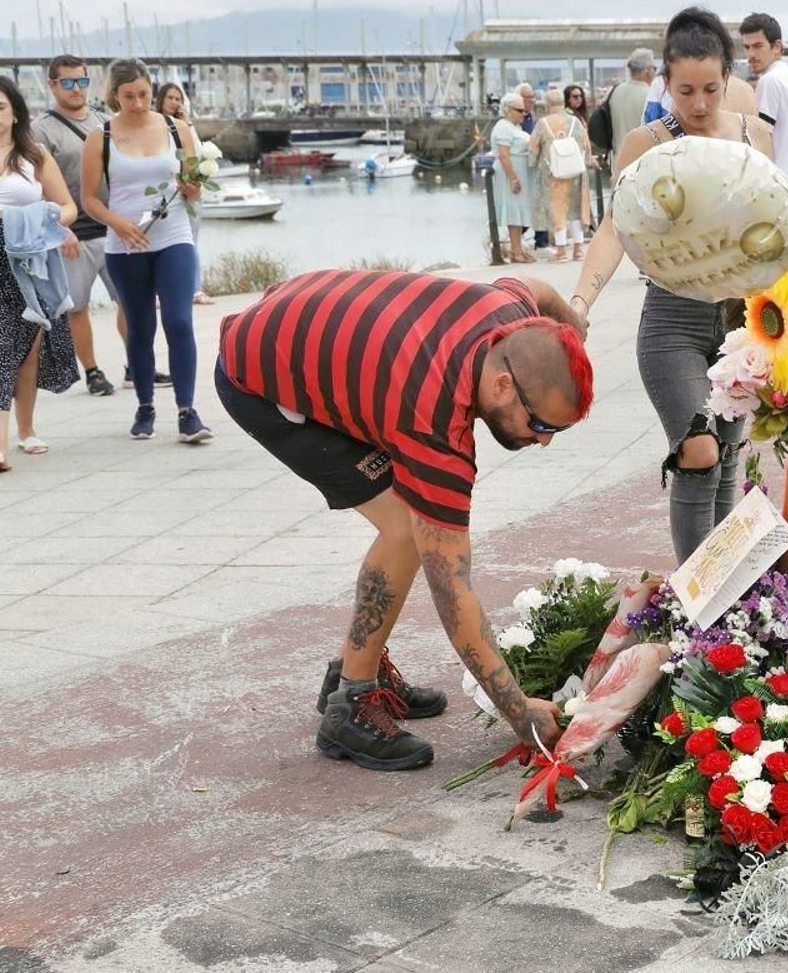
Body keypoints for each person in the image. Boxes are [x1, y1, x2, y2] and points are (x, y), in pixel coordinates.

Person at [214, 268, 592, 769]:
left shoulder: (513, 319)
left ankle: (352, 667)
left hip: (303, 318)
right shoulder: (435, 419)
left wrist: (571, 326)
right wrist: (517, 710)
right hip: (260, 376)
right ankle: (350, 706)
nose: (544, 440)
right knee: (406, 531)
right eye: (541, 424)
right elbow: (451, 586)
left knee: (410, 524)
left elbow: (536, 287)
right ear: (503, 385)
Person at [569, 7, 776, 561]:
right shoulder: (646, 142)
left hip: (740, 325)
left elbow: (777, 232)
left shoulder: (756, 137)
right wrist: (581, 300)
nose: (700, 103)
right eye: (685, 90)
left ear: (728, 76)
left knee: (729, 462)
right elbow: (616, 225)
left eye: (711, 88)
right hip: (672, 323)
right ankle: (698, 603)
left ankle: (725, 612)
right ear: (666, 82)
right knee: (698, 453)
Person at [79, 59, 211, 442]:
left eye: (142, 94)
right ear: (113, 96)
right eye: (128, 96)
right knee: (140, 326)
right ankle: (145, 405)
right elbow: (89, 199)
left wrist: (193, 187)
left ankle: (188, 412)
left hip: (174, 236)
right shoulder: (99, 137)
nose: (137, 103)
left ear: (150, 89)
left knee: (180, 321)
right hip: (125, 245)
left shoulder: (177, 129)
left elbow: (194, 184)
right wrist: (118, 223)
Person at [0, 76, 80, 468]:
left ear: (14, 110)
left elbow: (67, 207)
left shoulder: (35, 156)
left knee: (28, 348)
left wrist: (47, 222)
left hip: (27, 259)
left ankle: (26, 429)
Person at [34, 55, 123, 397]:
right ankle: (93, 371)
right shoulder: (41, 130)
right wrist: (59, 230)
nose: (75, 89)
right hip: (74, 234)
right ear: (52, 85)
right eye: (67, 82)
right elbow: (40, 187)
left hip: (113, 227)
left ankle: (137, 364)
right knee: (78, 307)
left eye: (81, 81)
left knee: (129, 300)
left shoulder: (105, 122)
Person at [741, 12, 788, 218]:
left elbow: (763, 138)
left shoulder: (769, 81)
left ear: (777, 47)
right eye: (746, 47)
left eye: (757, 46)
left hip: (776, 190)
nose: (750, 54)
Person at [155, 82, 213, 306]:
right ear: (161, 100)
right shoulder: (154, 125)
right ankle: (160, 291)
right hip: (165, 190)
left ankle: (194, 289)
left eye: (178, 98)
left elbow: (196, 154)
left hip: (189, 190)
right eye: (170, 97)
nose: (174, 102)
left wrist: (188, 125)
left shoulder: (187, 126)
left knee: (191, 241)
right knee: (161, 242)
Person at [531, 87, 595, 263]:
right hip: (575, 172)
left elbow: (533, 149)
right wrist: (587, 160)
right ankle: (579, 250)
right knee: (575, 211)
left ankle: (561, 251)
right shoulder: (576, 121)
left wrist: (532, 164)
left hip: (553, 176)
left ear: (547, 104)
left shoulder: (542, 123)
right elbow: (586, 146)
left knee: (557, 211)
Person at [490, 92, 535, 263]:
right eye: (520, 110)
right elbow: (503, 154)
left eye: (524, 110)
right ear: (508, 110)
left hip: (520, 171)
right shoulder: (503, 127)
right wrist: (513, 178)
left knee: (518, 210)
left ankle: (518, 249)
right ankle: (515, 251)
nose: (524, 113)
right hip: (511, 173)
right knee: (513, 211)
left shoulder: (515, 127)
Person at [607, 50, 654, 170]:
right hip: (642, 165)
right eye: (654, 68)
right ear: (647, 70)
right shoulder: (651, 96)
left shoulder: (615, 92)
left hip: (618, 164)